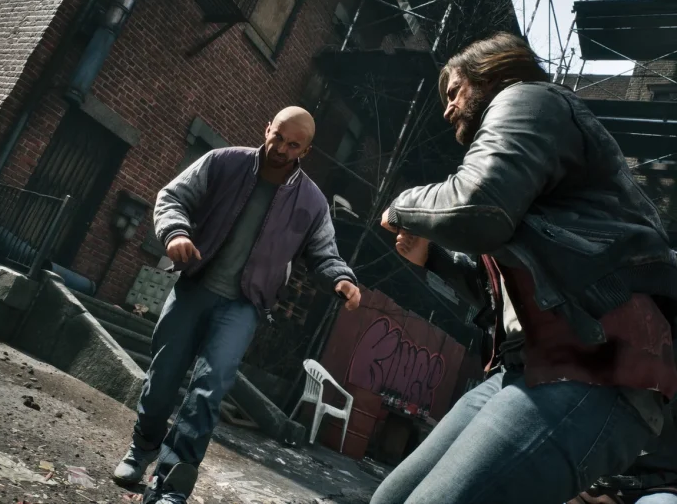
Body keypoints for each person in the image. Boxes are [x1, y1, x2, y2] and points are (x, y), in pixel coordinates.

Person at [372, 32, 677, 504]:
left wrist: (401, 204)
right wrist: (432, 258)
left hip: (597, 366)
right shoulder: (532, 171)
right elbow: (518, 296)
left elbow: (477, 206)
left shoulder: (528, 99)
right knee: (391, 498)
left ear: (491, 73)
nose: (448, 109)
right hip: (523, 366)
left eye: (454, 92)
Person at [112, 106, 361, 504]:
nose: (281, 149)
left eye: (293, 145)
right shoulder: (224, 162)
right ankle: (142, 449)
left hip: (244, 307)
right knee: (161, 379)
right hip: (194, 288)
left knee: (208, 392)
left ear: (306, 151)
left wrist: (342, 279)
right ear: (267, 129)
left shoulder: (312, 202)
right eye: (277, 137)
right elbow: (173, 197)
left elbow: (324, 252)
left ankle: (171, 484)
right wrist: (176, 233)